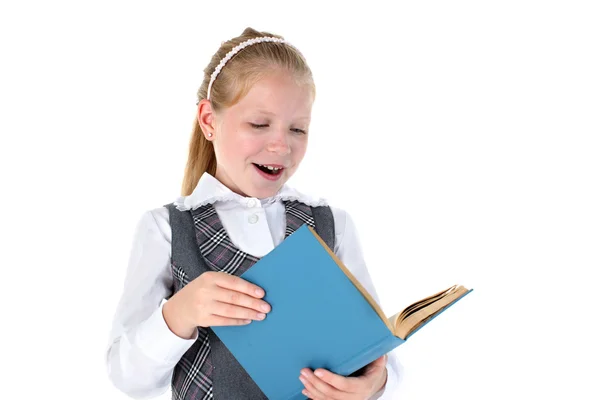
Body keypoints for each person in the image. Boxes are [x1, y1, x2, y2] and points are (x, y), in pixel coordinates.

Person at [105, 27, 403, 400]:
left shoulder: (332, 225)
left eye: (298, 129)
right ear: (209, 121)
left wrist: (374, 383)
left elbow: (374, 351)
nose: (282, 145)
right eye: (259, 125)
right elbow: (126, 376)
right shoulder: (166, 229)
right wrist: (179, 314)